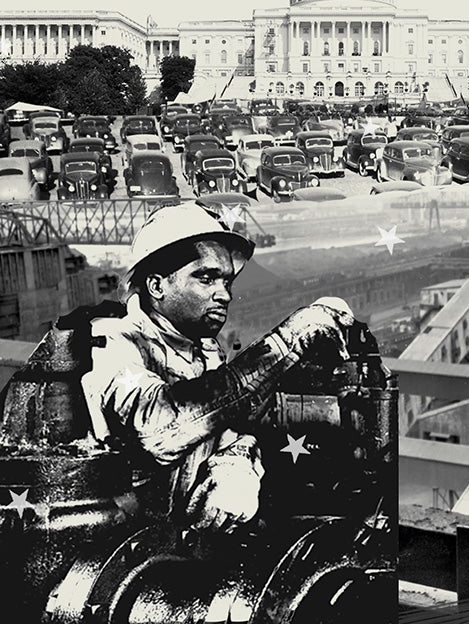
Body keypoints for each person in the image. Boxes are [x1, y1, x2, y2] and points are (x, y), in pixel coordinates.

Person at [80, 203, 356, 535]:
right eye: (206, 278)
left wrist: (237, 460)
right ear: (157, 286)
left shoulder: (204, 348)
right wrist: (286, 345)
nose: (223, 295)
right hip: (112, 549)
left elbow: (226, 423)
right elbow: (159, 428)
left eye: (226, 281)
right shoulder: (111, 343)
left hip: (171, 548)